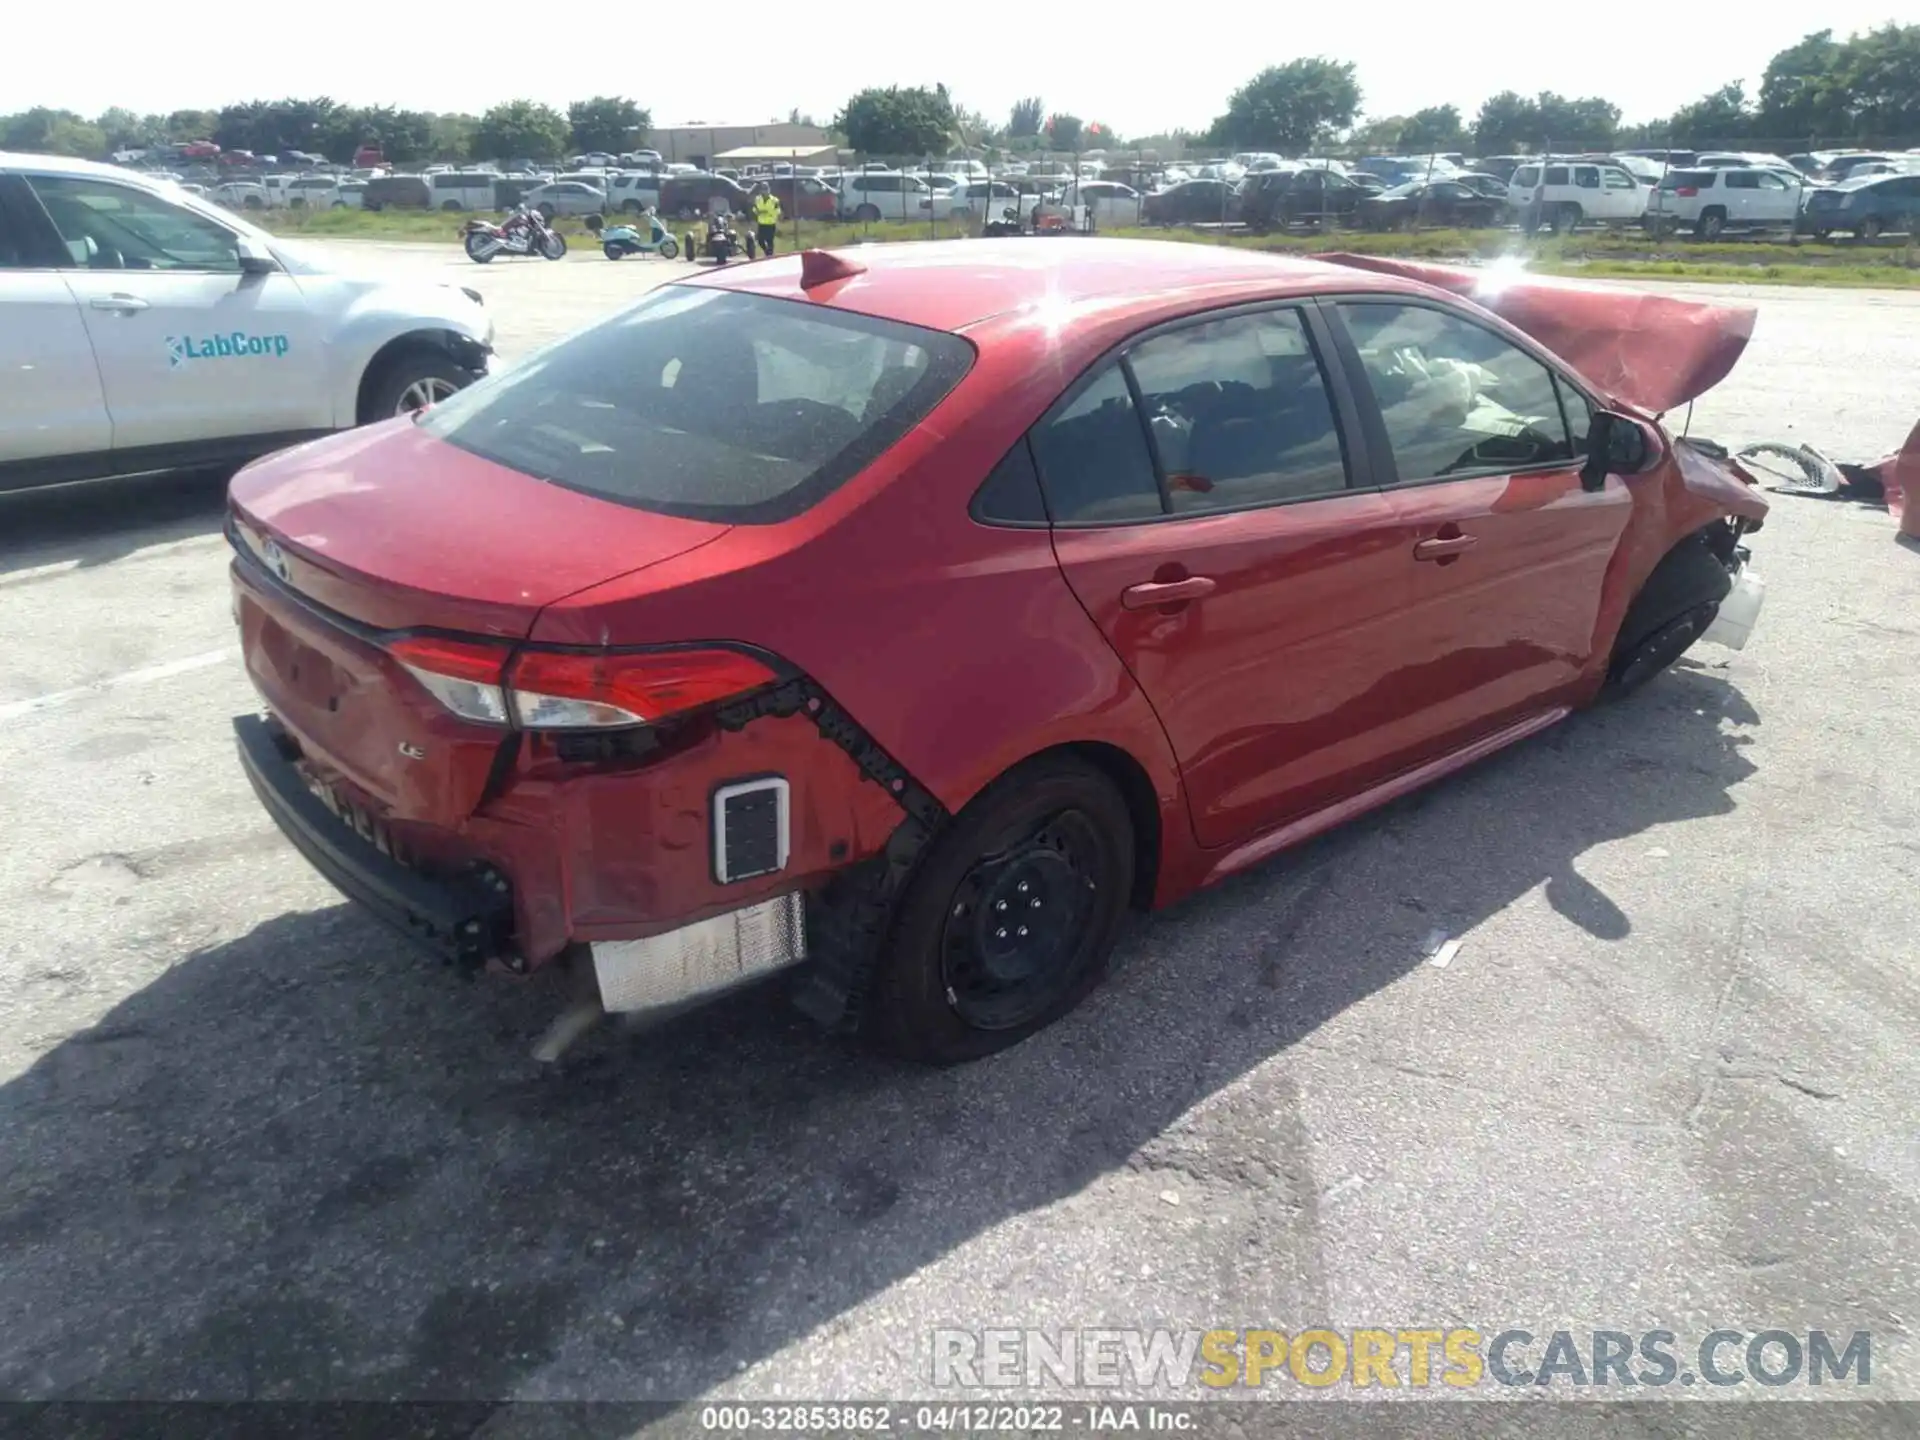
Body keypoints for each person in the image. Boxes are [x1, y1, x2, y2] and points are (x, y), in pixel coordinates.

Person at [752, 183, 782, 257]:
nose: (764, 191)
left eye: (766, 189)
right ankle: (766, 251)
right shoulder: (757, 199)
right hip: (761, 223)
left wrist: (768, 212)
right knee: (760, 240)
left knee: (769, 240)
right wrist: (757, 212)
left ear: (769, 190)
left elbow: (778, 211)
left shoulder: (774, 200)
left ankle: (770, 254)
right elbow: (754, 208)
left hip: (770, 223)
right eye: (763, 189)